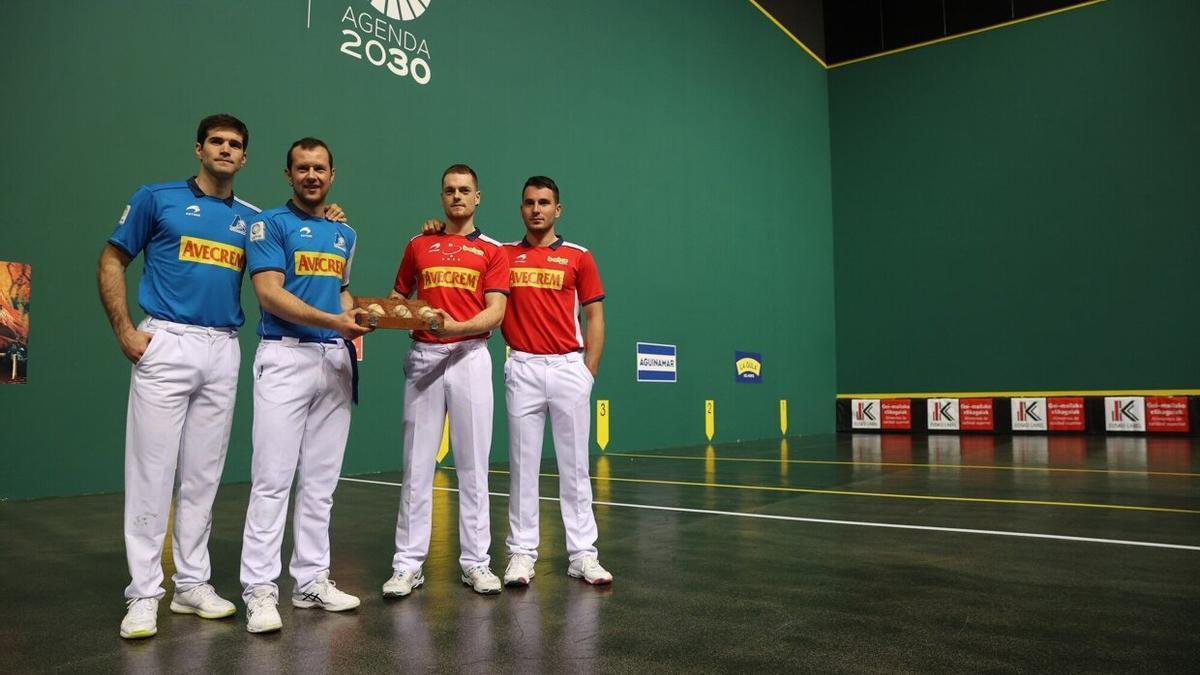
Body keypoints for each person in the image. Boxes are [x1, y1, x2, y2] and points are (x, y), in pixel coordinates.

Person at [98, 114, 259, 639]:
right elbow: (112, 258)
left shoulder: (253, 220)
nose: (225, 150)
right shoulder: (157, 197)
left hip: (223, 349)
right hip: (165, 342)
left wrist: (329, 216)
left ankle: (191, 584)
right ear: (198, 148)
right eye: (217, 141)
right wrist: (125, 330)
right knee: (151, 472)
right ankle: (144, 594)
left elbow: (295, 247)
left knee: (203, 475)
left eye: (235, 145)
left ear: (244, 157)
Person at [239, 137, 370, 634]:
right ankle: (259, 589)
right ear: (288, 174)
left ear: (332, 175)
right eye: (302, 168)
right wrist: (337, 322)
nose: (312, 175)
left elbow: (340, 289)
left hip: (334, 360)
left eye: (320, 168)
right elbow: (270, 295)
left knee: (320, 484)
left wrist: (356, 315)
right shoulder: (268, 225)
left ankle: (311, 580)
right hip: (285, 356)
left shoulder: (345, 232)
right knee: (272, 480)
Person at [383, 164, 510, 597]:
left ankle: (476, 563)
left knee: (473, 465)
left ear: (478, 198)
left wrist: (454, 329)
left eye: (465, 190)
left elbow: (496, 311)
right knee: (417, 465)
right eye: (450, 190)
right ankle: (407, 564)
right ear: (442, 197)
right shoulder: (419, 243)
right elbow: (398, 298)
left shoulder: (493, 250)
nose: (457, 196)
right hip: (424, 356)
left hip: (471, 355)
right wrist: (396, 314)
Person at [499, 176, 612, 586]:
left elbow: (595, 316)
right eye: (529, 202)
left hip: (568, 368)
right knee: (522, 468)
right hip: (523, 368)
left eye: (544, 202)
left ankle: (583, 554)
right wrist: (435, 229)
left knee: (576, 468)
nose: (536, 209)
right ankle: (521, 554)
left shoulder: (580, 257)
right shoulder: (504, 255)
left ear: (557, 209)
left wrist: (587, 371)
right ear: (521, 208)